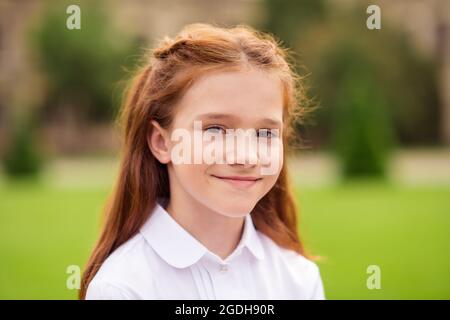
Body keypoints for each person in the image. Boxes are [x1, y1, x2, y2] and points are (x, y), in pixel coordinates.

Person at [80, 23, 325, 300]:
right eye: (215, 129)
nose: (245, 157)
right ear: (161, 142)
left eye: (265, 133)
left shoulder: (298, 279)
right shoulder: (123, 288)